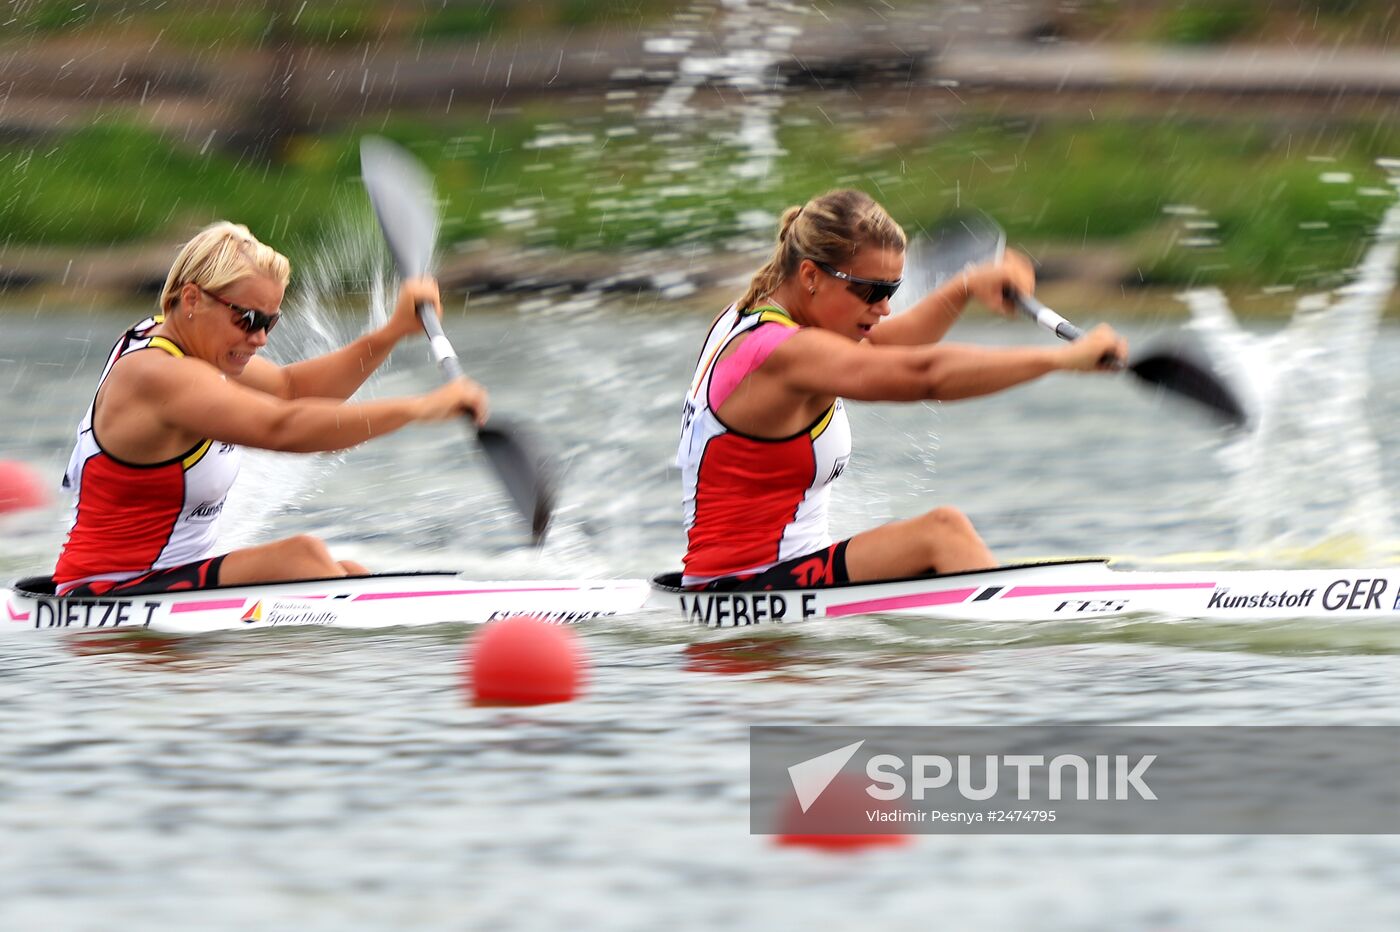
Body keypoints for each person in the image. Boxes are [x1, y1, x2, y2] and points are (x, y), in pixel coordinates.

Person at [677, 190, 1128, 590]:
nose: (886, 307)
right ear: (811, 275)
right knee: (942, 532)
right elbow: (923, 375)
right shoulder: (781, 353)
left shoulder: (753, 316)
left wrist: (966, 286)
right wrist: (1061, 359)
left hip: (776, 576)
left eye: (891, 288)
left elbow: (891, 342)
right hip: (743, 586)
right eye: (871, 290)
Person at [52, 221, 487, 596]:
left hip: (166, 580)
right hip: (110, 590)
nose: (260, 339)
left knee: (347, 573)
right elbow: (282, 428)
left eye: (270, 322)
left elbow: (290, 389)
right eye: (249, 320)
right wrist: (420, 409)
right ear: (191, 300)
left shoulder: (183, 346)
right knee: (304, 557)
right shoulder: (159, 375)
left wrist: (390, 333)